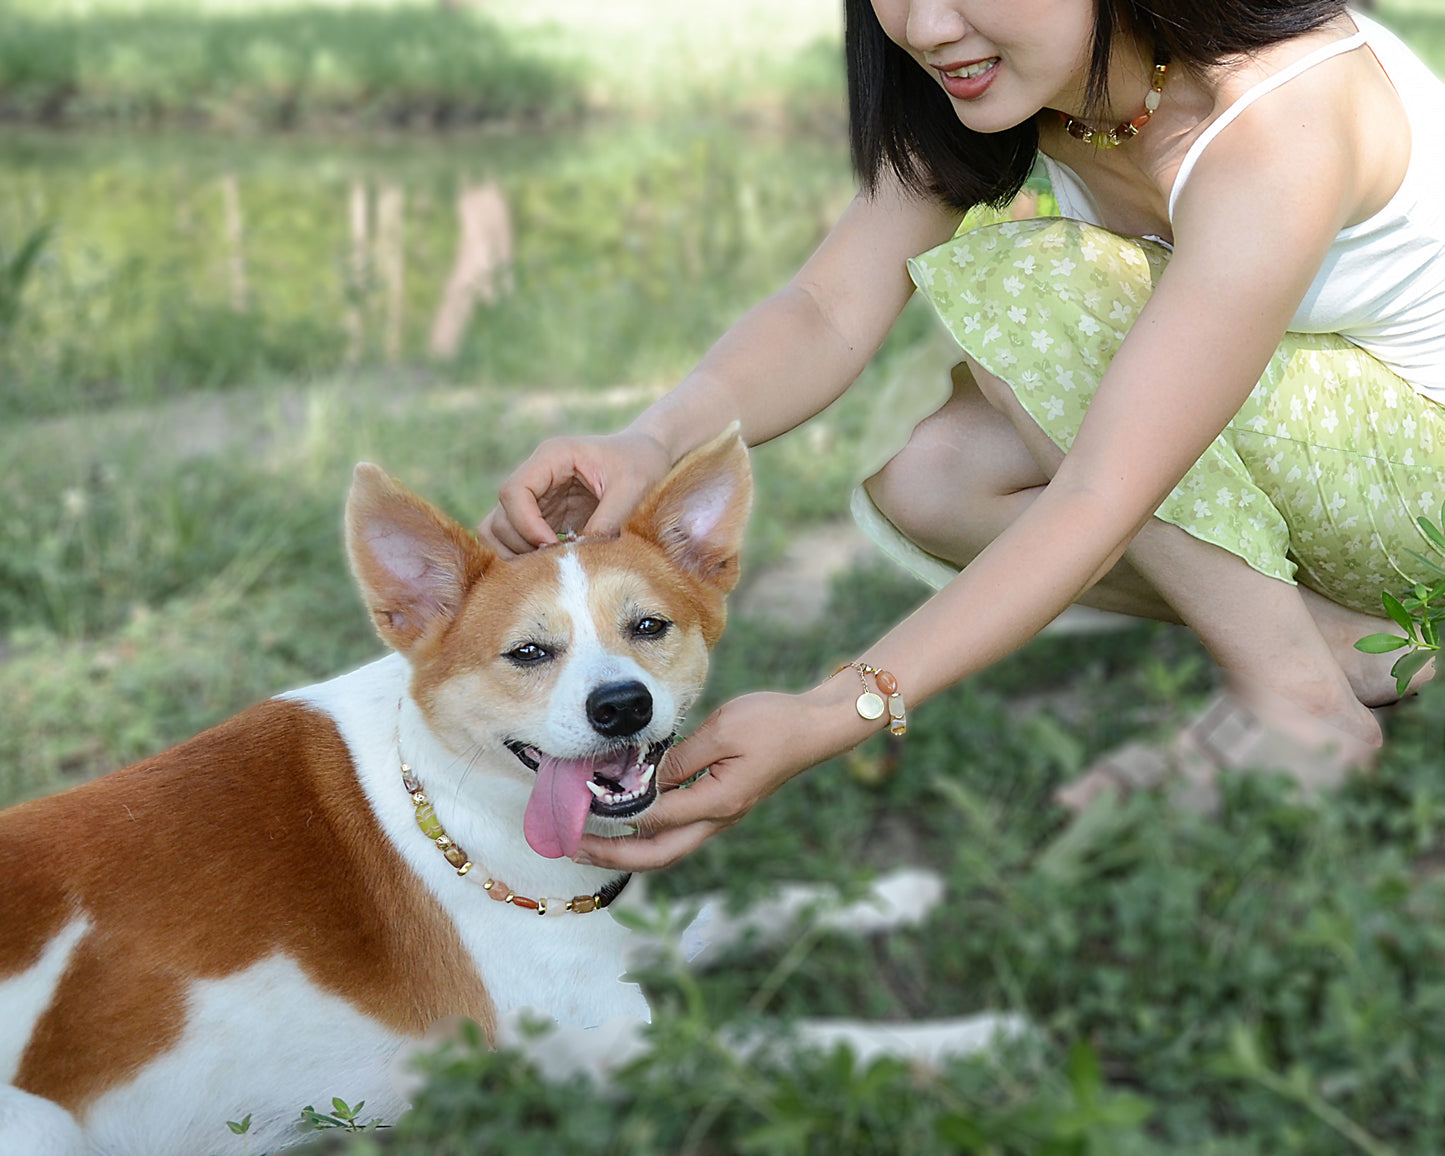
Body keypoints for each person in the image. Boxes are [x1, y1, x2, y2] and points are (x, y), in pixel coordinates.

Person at [480, 0, 1445, 868]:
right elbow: (826, 306)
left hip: (1427, 489)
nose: (926, 25)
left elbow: (1101, 493)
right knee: (938, 476)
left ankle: (1298, 705)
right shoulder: (1036, 87)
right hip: (1362, 492)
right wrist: (650, 444)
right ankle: (1359, 643)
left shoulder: (1281, 115)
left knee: (1032, 286)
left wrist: (834, 711)